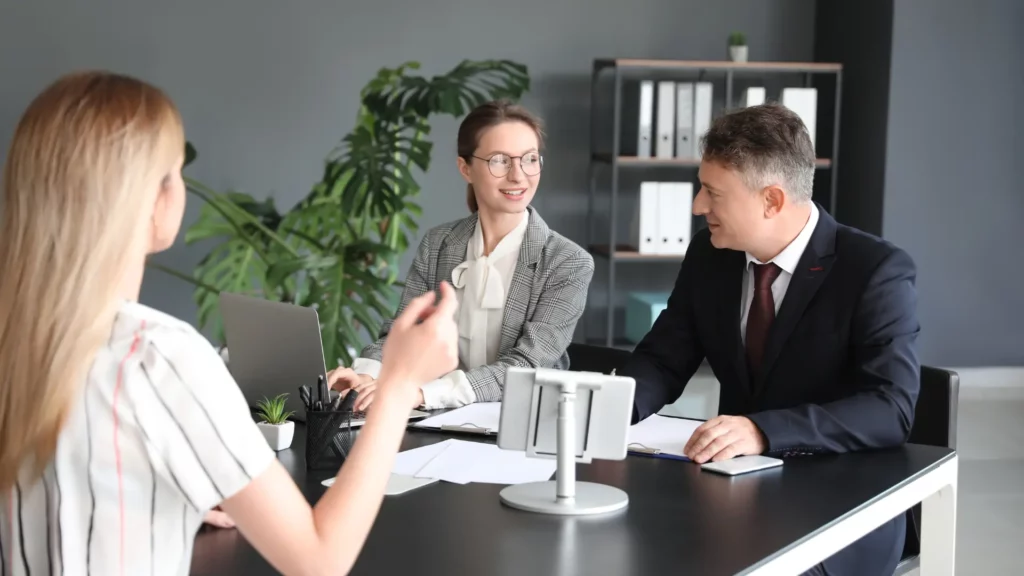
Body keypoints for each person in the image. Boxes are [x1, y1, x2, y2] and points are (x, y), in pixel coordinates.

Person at [0, 71, 459, 576]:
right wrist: (397, 386)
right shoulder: (157, 357)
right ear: (152, 200)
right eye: (174, 172)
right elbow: (319, 561)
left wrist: (162, 499)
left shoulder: (15, 341)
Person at [619, 103, 920, 576]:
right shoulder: (711, 255)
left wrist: (765, 431)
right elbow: (663, 358)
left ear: (772, 200)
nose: (699, 206)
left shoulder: (875, 271)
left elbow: (890, 407)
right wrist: (606, 407)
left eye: (713, 193)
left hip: (839, 503)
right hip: (729, 488)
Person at [328, 100, 595, 412]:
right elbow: (402, 334)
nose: (518, 176)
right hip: (436, 419)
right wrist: (364, 376)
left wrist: (422, 394)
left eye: (530, 159)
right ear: (465, 168)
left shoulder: (567, 262)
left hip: (522, 422)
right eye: (499, 161)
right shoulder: (438, 244)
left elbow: (527, 365)